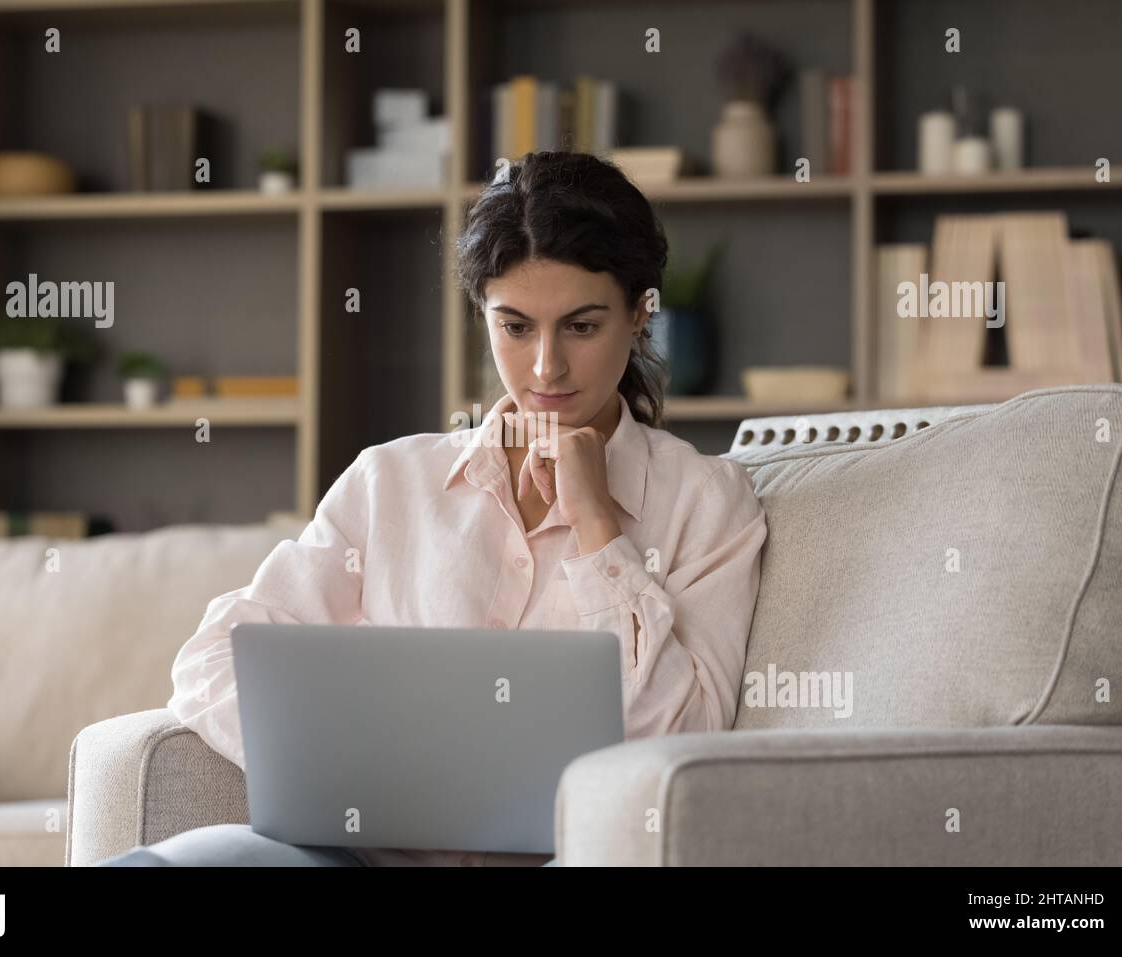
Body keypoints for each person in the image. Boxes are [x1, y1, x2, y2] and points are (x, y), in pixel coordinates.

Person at [99, 151, 767, 867]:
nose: (546, 368)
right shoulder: (391, 481)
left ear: (640, 313)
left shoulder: (707, 503)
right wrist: (357, 777)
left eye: (580, 325)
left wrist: (598, 529)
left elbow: (686, 741)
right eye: (514, 326)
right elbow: (209, 661)